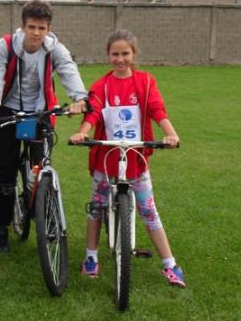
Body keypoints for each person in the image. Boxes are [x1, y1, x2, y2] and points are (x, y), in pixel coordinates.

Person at [70, 29, 185, 287]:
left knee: (148, 210)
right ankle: (91, 257)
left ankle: (170, 264)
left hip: (136, 159)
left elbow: (156, 109)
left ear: (133, 54)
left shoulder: (145, 82)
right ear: (108, 55)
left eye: (125, 54)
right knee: (97, 207)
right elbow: (94, 112)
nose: (120, 59)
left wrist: (171, 134)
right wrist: (82, 132)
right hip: (106, 158)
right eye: (115, 54)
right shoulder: (102, 85)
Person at [0, 0, 87, 252]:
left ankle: (44, 214)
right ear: (23, 26)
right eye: (32, 27)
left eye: (42, 28)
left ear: (48, 29)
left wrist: (80, 98)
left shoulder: (54, 49)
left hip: (40, 113)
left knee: (42, 169)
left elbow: (68, 70)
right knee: (5, 171)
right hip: (8, 112)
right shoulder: (5, 46)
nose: (37, 33)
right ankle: (1, 226)